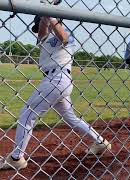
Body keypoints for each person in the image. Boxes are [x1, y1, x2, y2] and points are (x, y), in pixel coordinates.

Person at [0, 15, 111, 170]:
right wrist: (46, 16)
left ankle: (16, 158)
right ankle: (100, 142)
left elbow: (64, 38)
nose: (38, 29)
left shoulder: (65, 32)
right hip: (54, 80)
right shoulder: (43, 39)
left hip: (58, 78)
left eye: (38, 24)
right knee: (70, 117)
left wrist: (49, 16)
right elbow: (41, 34)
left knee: (27, 113)